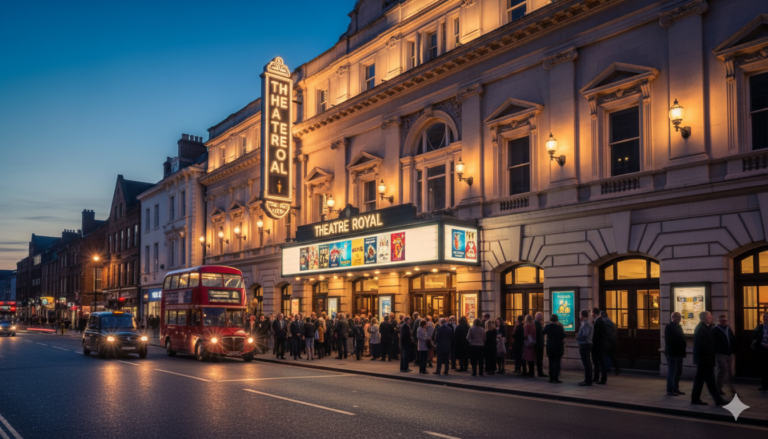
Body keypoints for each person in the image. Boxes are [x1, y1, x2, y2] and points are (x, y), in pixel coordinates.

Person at [691, 312, 727, 406]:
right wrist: (710, 356)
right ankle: (718, 400)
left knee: (700, 380)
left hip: (704, 359)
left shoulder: (704, 327)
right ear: (704, 318)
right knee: (710, 381)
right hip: (705, 359)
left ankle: (695, 398)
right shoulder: (701, 329)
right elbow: (703, 345)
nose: (711, 318)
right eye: (709, 316)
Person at [712, 314, 736, 395]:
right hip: (720, 354)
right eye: (722, 321)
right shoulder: (715, 330)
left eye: (725, 320)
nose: (724, 322)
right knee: (722, 370)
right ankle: (718, 388)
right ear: (718, 321)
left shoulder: (728, 328)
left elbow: (732, 339)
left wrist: (733, 352)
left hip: (728, 353)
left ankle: (732, 389)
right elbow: (712, 342)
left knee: (729, 371)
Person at [664, 311, 687, 396]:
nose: (679, 319)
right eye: (677, 317)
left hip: (679, 352)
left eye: (680, 317)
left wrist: (683, 344)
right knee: (672, 371)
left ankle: (676, 388)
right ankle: (670, 389)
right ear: (672, 318)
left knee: (678, 371)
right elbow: (669, 340)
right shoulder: (669, 327)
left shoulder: (679, 326)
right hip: (672, 352)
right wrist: (680, 343)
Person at [542, 314, 565, 383]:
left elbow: (542, 332)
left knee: (551, 362)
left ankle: (551, 377)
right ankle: (556, 377)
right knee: (557, 363)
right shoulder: (559, 327)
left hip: (550, 346)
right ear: (557, 320)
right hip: (558, 347)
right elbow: (563, 335)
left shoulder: (548, 326)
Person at [576, 310, 594, 386]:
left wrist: (577, 337)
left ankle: (588, 380)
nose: (579, 316)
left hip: (585, 344)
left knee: (586, 363)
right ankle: (588, 379)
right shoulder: (587, 322)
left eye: (580, 315)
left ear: (583, 316)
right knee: (587, 362)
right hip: (587, 344)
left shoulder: (586, 323)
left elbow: (585, 335)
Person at [591, 308, 607, 385]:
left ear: (594, 313)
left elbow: (598, 334)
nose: (591, 314)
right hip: (599, 345)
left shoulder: (599, 321)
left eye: (591, 312)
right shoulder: (598, 321)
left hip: (598, 345)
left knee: (600, 362)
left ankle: (602, 379)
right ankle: (596, 377)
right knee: (597, 362)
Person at [602, 310, 619, 375]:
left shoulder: (603, 323)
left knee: (606, 356)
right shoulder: (612, 323)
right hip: (614, 341)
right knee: (613, 356)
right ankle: (616, 368)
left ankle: (607, 369)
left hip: (607, 341)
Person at [754, 312, 768, 391]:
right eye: (764, 317)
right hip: (762, 349)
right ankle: (764, 385)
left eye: (767, 317)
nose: (765, 319)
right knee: (763, 368)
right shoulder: (760, 327)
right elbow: (756, 336)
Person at [534, 312, 547, 378]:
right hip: (538, 343)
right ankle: (539, 372)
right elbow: (540, 333)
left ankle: (540, 371)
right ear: (538, 317)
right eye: (541, 316)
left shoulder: (538, 323)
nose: (542, 317)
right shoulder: (536, 323)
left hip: (539, 343)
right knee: (539, 358)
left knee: (540, 358)